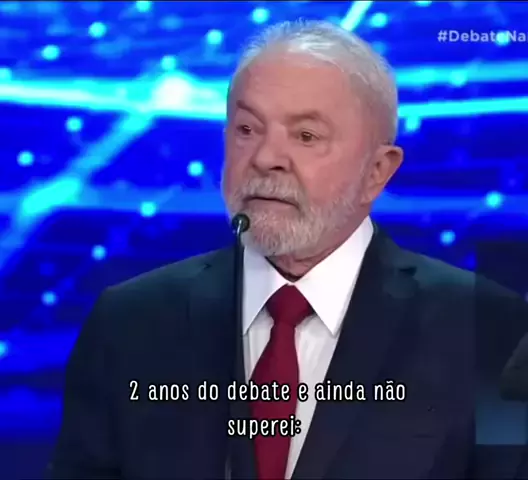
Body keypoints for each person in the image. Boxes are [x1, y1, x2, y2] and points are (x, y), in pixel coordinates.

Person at [48, 20, 528, 480]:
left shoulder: (489, 330)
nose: (265, 158)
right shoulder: (128, 323)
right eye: (247, 129)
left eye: (306, 136)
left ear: (377, 171)